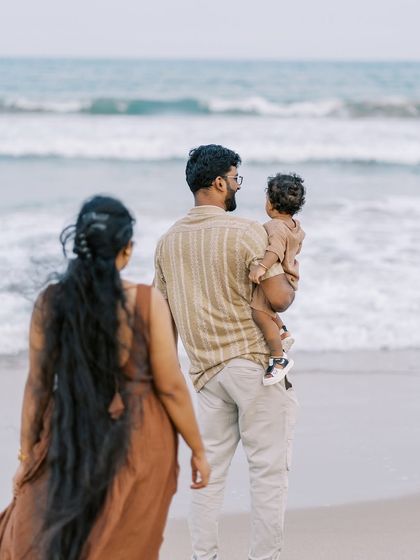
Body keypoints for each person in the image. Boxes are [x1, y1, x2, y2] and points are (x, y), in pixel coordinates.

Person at [0, 195, 210, 560]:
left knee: (48, 537)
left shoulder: (51, 301)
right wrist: (198, 449)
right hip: (140, 436)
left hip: (70, 430)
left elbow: (37, 387)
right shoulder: (146, 302)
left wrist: (26, 457)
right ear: (126, 250)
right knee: (127, 543)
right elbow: (171, 386)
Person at [154, 145, 299, 560]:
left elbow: (165, 325)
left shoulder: (167, 243)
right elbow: (279, 299)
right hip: (255, 366)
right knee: (268, 472)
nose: (237, 186)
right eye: (236, 178)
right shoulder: (246, 231)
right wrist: (291, 275)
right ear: (219, 182)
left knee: (209, 475)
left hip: (205, 374)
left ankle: (204, 556)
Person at [249, 173, 306, 386]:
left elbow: (274, 250)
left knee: (259, 314)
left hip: (277, 277)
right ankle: (282, 331)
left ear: (271, 204)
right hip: (290, 279)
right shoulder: (295, 226)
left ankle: (278, 357)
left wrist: (261, 267)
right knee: (265, 307)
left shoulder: (274, 227)